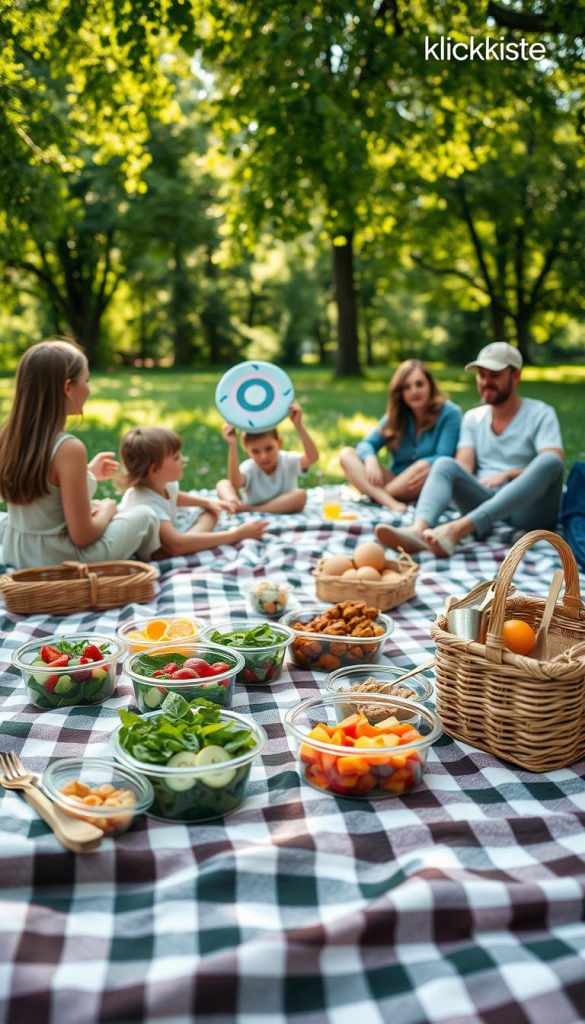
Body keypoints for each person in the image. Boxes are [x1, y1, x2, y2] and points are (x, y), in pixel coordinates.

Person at [375, 343, 564, 557]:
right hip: (485, 498)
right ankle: (418, 532)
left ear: (516, 376)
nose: (485, 382)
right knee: (444, 464)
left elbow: (553, 465)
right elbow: (462, 467)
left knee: (550, 462)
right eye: (481, 375)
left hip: (530, 510)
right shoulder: (473, 418)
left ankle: (458, 529)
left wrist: (508, 474)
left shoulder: (541, 413)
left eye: (494, 375)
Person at [0, 339, 160, 569]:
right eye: (86, 381)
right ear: (67, 388)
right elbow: (83, 536)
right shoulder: (68, 448)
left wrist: (87, 474)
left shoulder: (8, 438)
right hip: (61, 560)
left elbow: (43, 495)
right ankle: (153, 560)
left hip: (18, 552)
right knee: (145, 515)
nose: (88, 389)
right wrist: (107, 509)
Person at [119, 426, 267, 557]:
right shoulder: (143, 502)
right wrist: (237, 534)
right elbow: (174, 546)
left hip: (173, 537)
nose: (183, 460)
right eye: (176, 458)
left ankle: (191, 540)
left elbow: (174, 497)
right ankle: (190, 543)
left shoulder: (161, 483)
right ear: (155, 469)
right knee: (184, 539)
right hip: (159, 552)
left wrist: (208, 502)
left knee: (212, 511)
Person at [339, 359, 462, 511]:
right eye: (407, 387)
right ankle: (388, 501)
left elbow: (444, 456)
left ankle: (377, 496)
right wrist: (370, 459)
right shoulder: (396, 416)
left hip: (424, 482)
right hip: (395, 480)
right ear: (400, 393)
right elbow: (366, 444)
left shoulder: (450, 413)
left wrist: (423, 465)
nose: (414, 391)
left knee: (423, 464)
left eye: (419, 384)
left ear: (430, 385)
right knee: (347, 454)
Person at [216, 400, 319, 513]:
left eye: (269, 448)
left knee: (300, 495)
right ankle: (233, 503)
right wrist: (232, 445)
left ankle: (248, 509)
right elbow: (235, 483)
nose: (263, 456)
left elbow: (312, 458)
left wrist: (298, 425)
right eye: (255, 451)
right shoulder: (249, 468)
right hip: (254, 503)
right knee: (223, 484)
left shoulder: (288, 460)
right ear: (246, 450)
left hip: (282, 504)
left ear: (279, 443)